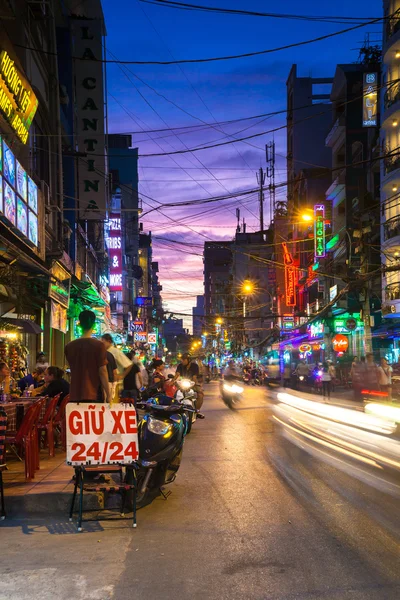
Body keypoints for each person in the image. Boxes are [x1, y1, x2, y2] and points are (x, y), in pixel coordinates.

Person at [65, 310, 110, 403]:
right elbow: (103, 371)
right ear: (94, 325)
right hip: (94, 394)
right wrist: (108, 394)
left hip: (75, 394)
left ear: (79, 324)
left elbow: (71, 368)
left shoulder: (69, 346)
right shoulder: (99, 346)